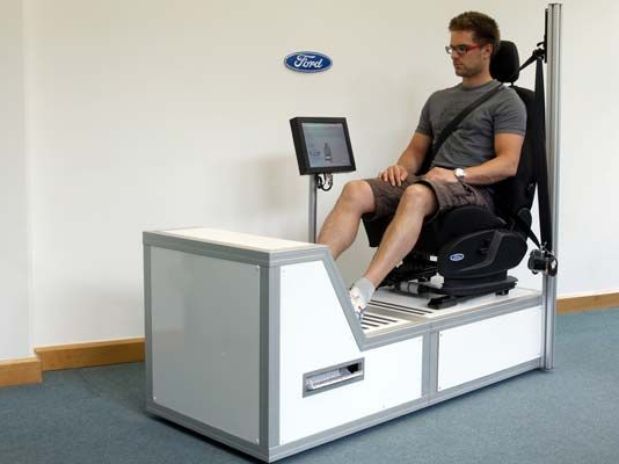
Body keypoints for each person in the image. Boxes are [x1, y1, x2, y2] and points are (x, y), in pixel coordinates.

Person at [317, 11, 527, 316]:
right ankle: (313, 277)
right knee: (355, 190)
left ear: (486, 50)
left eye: (462, 48)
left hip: (472, 189)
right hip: (433, 183)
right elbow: (415, 152)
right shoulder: (438, 99)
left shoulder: (506, 102)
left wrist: (457, 174)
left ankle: (363, 290)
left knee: (417, 194)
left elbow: (508, 164)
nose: (454, 55)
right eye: (451, 48)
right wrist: (401, 168)